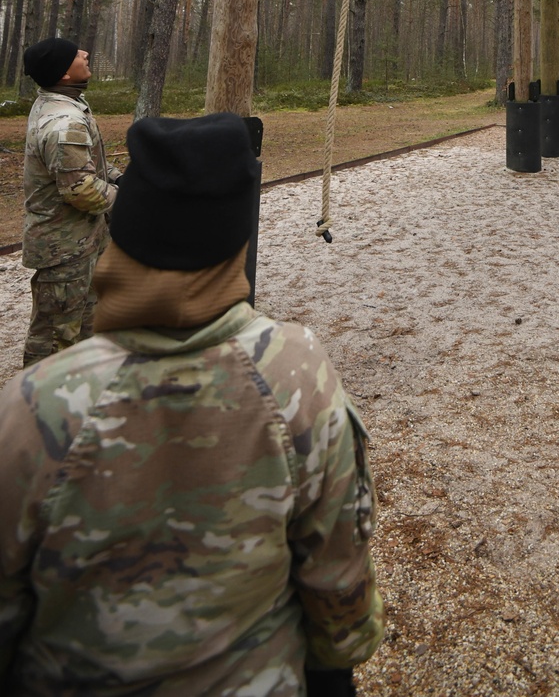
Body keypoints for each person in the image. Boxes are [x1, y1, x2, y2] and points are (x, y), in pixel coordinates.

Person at [0, 112, 383, 695]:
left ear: (124, 232)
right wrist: (336, 667)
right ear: (238, 240)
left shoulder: (36, 403)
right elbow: (336, 579)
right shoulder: (297, 372)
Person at [20, 36, 120, 369]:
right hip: (65, 250)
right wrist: (129, 198)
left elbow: (80, 165)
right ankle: (37, 408)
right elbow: (81, 189)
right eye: (75, 54)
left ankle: (82, 394)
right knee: (54, 339)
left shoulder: (60, 103)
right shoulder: (65, 123)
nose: (85, 53)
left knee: (86, 327)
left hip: (79, 243)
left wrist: (118, 176)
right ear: (64, 73)